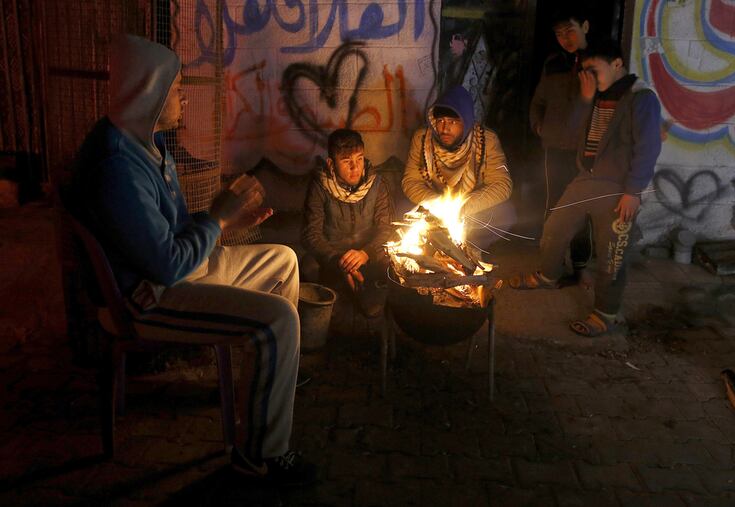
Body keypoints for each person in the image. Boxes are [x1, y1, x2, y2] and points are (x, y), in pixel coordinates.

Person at [71, 34, 314, 484]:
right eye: (175, 86)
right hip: (146, 297)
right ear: (150, 94)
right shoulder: (115, 167)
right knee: (278, 320)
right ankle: (258, 454)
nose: (183, 94)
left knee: (283, 259)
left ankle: (269, 384)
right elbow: (165, 263)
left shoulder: (147, 142)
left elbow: (176, 230)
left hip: (172, 271)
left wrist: (227, 221)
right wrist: (218, 222)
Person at [510, 40, 662, 337]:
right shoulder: (593, 96)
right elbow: (568, 133)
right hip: (586, 179)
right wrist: (584, 98)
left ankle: (606, 313)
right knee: (554, 229)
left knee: (612, 255)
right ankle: (548, 275)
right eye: (584, 70)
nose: (588, 75)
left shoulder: (640, 98)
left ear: (617, 63)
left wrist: (633, 191)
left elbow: (648, 148)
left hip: (619, 188)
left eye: (594, 68)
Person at [402, 85, 514, 251]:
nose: (445, 129)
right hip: (434, 209)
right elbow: (411, 181)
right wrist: (437, 203)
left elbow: (502, 185)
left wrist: (461, 207)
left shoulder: (486, 140)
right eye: (440, 121)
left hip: (471, 211)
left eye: (453, 122)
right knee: (402, 209)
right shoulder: (422, 138)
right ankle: (430, 248)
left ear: (466, 121)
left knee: (506, 214)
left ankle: (467, 250)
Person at [528, 7, 593, 287]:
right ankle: (551, 265)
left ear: (585, 27)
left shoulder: (598, 64)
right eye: (558, 33)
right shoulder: (553, 63)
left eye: (570, 30)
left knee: (582, 208)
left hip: (586, 152)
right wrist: (538, 125)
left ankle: (581, 266)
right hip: (554, 148)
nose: (565, 38)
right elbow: (538, 100)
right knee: (553, 207)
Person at [302, 129, 394, 318]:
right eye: (346, 162)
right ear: (331, 164)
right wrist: (340, 261)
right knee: (307, 266)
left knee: (395, 264)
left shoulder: (377, 185)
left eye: (359, 159)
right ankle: (343, 299)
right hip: (333, 258)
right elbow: (311, 235)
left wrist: (366, 253)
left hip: (368, 255)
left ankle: (370, 299)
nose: (355, 168)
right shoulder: (320, 187)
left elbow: (386, 229)